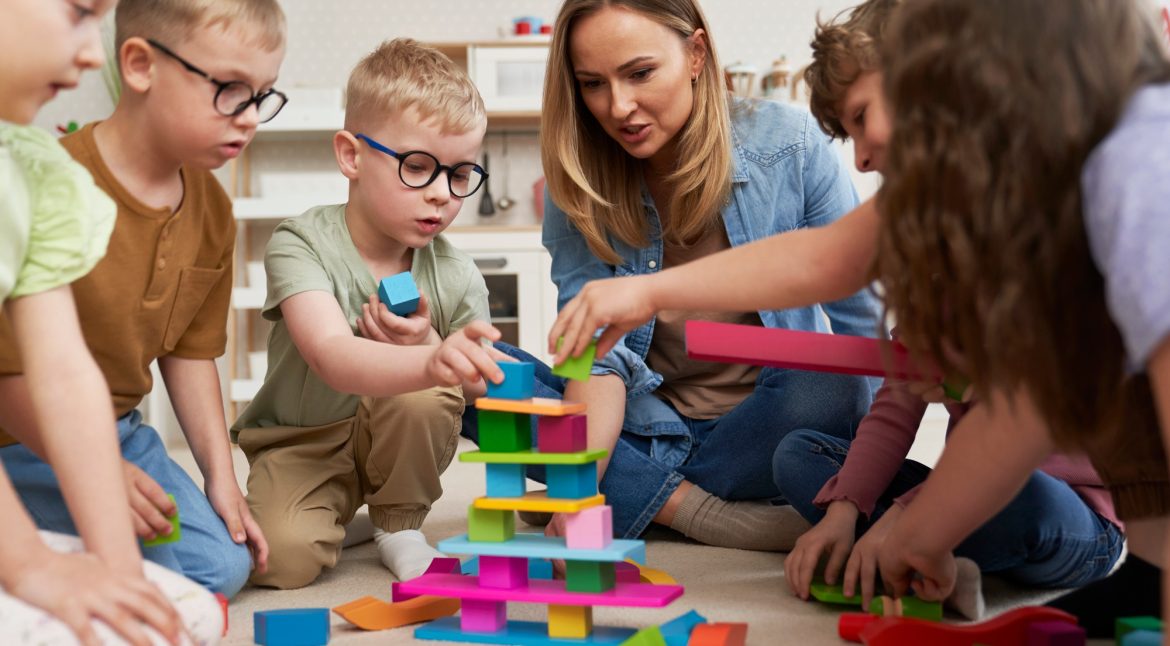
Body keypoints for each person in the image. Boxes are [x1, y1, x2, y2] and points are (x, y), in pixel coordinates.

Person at [472, 0, 884, 550]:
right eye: (592, 84)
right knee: (469, 370)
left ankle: (634, 493)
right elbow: (597, 358)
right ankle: (690, 509)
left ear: (695, 54)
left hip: (759, 429)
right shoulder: (576, 183)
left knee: (834, 379)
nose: (619, 106)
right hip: (639, 424)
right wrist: (579, 487)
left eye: (640, 73)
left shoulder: (789, 145)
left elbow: (863, 331)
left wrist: (861, 482)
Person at [775, 0, 1121, 610]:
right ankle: (929, 551)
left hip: (1076, 508)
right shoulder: (934, 243)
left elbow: (1017, 432)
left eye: (861, 120)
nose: (858, 159)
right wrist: (846, 510)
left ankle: (923, 544)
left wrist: (910, 516)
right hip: (968, 485)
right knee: (802, 457)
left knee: (1023, 497)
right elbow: (900, 394)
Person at [866, 0, 1170, 630]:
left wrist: (916, 524)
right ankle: (1152, 571)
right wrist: (921, 531)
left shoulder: (1135, 169)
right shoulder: (1050, 200)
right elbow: (1029, 400)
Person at [0, 0, 289, 598]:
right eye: (232, 90)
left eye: (262, 96)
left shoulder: (213, 210)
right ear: (139, 66)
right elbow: (21, 377)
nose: (251, 117)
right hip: (17, 431)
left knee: (221, 565)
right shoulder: (47, 181)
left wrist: (221, 478)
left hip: (117, 430)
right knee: (166, 581)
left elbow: (188, 353)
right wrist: (93, 472)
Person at [232, 38, 506, 589]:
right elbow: (332, 355)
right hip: (304, 439)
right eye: (418, 167)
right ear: (351, 156)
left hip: (399, 440)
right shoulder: (300, 242)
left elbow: (482, 391)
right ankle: (339, 519)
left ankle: (398, 523)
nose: (441, 196)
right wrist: (433, 360)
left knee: (427, 391)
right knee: (280, 562)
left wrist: (432, 345)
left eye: (459, 175)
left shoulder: (456, 273)